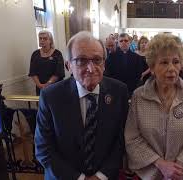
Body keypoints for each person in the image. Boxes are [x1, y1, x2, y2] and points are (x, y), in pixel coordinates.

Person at [35, 31, 129, 180]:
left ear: (104, 63)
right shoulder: (51, 97)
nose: (91, 68)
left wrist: (101, 176)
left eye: (97, 60)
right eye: (81, 61)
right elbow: (43, 148)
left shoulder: (119, 92)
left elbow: (121, 140)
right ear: (68, 66)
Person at [125, 33, 183, 180]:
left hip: (180, 174)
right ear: (152, 67)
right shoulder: (139, 96)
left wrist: (176, 167)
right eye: (164, 62)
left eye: (176, 62)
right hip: (149, 173)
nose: (171, 68)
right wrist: (160, 164)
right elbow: (132, 138)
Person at [28, 30, 65, 95]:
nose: (42, 40)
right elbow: (33, 72)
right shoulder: (35, 54)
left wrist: (48, 84)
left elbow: (58, 72)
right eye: (40, 38)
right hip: (40, 87)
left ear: (50, 40)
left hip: (55, 86)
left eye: (45, 38)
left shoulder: (57, 54)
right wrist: (39, 85)